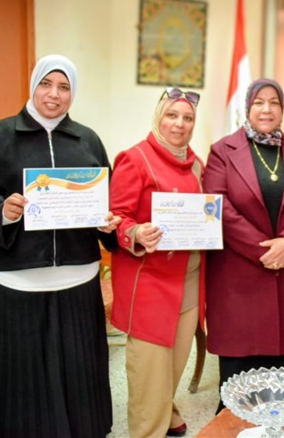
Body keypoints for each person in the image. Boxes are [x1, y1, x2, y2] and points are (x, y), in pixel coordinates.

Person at [0, 54, 121, 438]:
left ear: (73, 94)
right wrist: (3, 211)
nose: (54, 94)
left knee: (79, 373)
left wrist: (106, 222)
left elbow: (107, 203)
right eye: (46, 84)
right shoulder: (1, 136)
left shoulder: (88, 140)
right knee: (24, 379)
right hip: (19, 281)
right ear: (33, 86)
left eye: (64, 87)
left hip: (78, 278)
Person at [203, 78, 284, 412]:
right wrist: (265, 250)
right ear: (247, 108)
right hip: (238, 267)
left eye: (274, 102)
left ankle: (275, 417)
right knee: (239, 351)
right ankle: (232, 416)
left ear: (282, 109)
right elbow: (218, 205)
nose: (266, 109)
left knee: (279, 362)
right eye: (258, 102)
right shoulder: (222, 151)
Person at [109, 87, 205, 438]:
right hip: (150, 281)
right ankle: (148, 429)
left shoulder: (197, 164)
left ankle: (166, 408)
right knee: (149, 368)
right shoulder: (135, 159)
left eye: (188, 118)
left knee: (176, 359)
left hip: (190, 279)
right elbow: (116, 217)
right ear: (158, 117)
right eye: (172, 115)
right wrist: (135, 232)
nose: (179, 124)